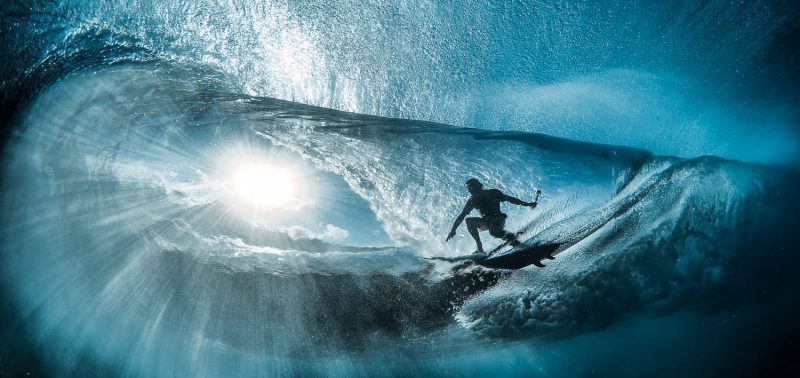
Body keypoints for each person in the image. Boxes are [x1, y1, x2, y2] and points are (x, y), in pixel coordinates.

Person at [445, 178, 537, 254]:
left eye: (472, 187)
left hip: (498, 219)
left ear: (478, 186)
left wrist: (528, 204)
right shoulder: (472, 200)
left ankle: (513, 241)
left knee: (493, 232)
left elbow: (510, 199)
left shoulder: (493, 193)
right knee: (469, 221)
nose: (470, 190)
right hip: (486, 222)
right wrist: (453, 230)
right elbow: (462, 216)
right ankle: (480, 247)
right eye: (469, 188)